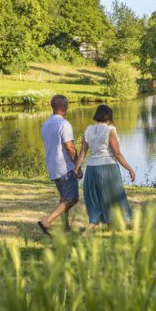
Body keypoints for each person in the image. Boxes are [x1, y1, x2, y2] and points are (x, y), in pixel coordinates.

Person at [74, 104, 135, 232]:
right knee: (114, 195)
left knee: (95, 197)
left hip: (91, 169)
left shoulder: (88, 130)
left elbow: (83, 153)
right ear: (109, 116)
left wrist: (76, 168)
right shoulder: (109, 130)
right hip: (108, 168)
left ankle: (95, 223)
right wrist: (129, 169)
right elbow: (117, 154)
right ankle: (120, 221)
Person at [38, 94, 81, 236]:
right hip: (64, 166)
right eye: (67, 104)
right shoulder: (64, 124)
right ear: (62, 106)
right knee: (72, 198)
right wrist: (77, 165)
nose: (68, 107)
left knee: (64, 197)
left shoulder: (46, 124)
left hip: (52, 165)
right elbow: (70, 147)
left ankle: (65, 226)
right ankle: (47, 221)